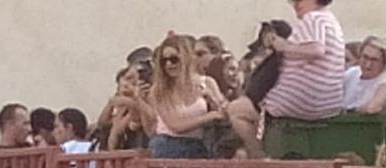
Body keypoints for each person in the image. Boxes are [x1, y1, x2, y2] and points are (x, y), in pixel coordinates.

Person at [226, 0, 345, 158]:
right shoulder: (331, 21)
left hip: (297, 101)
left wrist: (284, 46)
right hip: (327, 103)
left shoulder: (313, 18)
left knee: (235, 110)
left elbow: (317, 49)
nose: (294, 4)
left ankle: (260, 159)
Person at [141, 36, 226, 159]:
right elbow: (176, 126)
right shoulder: (159, 90)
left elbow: (223, 113)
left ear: (186, 58)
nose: (169, 64)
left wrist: (212, 100)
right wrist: (209, 116)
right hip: (168, 144)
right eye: (164, 61)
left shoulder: (207, 82)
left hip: (199, 145)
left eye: (174, 59)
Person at [343, 36, 386, 113]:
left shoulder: (384, 80)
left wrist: (350, 111)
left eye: (375, 60)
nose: (368, 64)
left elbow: (373, 108)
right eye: (365, 57)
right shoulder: (351, 73)